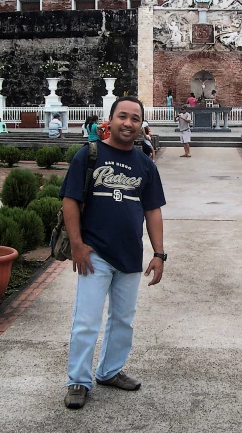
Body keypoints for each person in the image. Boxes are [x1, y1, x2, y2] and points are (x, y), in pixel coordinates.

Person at [60, 96, 166, 410]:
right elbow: (69, 200)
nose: (128, 123)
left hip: (130, 255)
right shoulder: (89, 155)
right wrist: (77, 245)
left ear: (141, 124)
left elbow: (153, 211)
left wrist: (159, 254)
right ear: (110, 119)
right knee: (87, 321)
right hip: (94, 253)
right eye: (123, 116)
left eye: (135, 118)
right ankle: (78, 380)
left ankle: (109, 371)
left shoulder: (145, 163)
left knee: (123, 320)